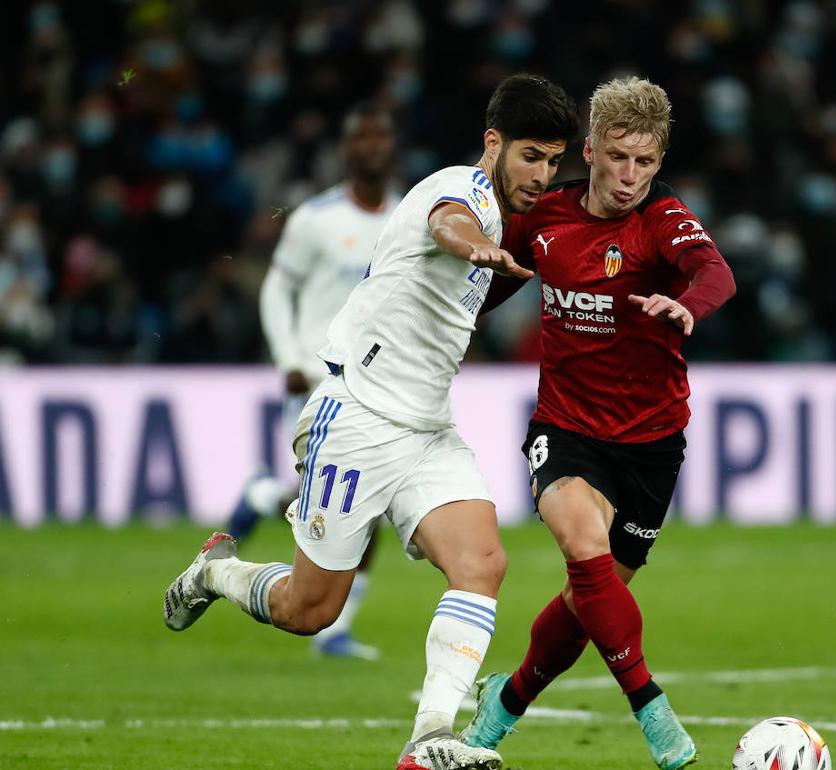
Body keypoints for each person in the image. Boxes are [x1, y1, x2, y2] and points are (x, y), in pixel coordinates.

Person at [162, 74, 580, 770]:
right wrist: (473, 246)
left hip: (424, 428)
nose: (541, 174)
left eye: (553, 160)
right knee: (308, 610)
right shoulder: (462, 192)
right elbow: (450, 222)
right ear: (493, 143)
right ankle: (216, 573)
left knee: (482, 563)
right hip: (356, 416)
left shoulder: (506, 215)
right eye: (531, 156)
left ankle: (430, 739)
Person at [459, 76, 736, 770]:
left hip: (651, 442)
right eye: (618, 158)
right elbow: (486, 285)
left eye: (646, 163)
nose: (631, 177)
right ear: (591, 150)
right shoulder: (545, 217)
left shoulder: (661, 221)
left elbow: (714, 271)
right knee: (583, 548)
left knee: (589, 604)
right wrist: (444, 324)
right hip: (567, 428)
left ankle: (506, 701)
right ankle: (653, 709)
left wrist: (688, 307)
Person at [223, 101, 402, 661]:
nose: (372, 145)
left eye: (381, 136)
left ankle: (337, 628)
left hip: (382, 386)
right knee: (330, 502)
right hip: (318, 381)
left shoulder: (409, 218)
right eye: (361, 135)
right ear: (346, 150)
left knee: (369, 502)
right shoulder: (315, 219)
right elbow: (277, 289)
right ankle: (264, 497)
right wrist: (287, 358)